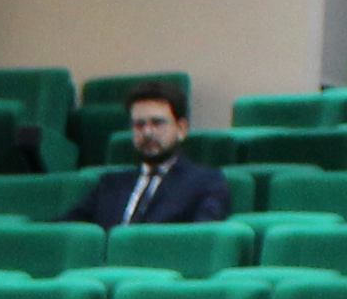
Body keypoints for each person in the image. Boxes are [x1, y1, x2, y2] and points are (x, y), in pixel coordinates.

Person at [76, 84, 231, 229]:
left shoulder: (205, 182)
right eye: (139, 125)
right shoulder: (110, 185)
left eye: (157, 123)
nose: (147, 133)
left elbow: (202, 239)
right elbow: (66, 230)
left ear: (181, 128)